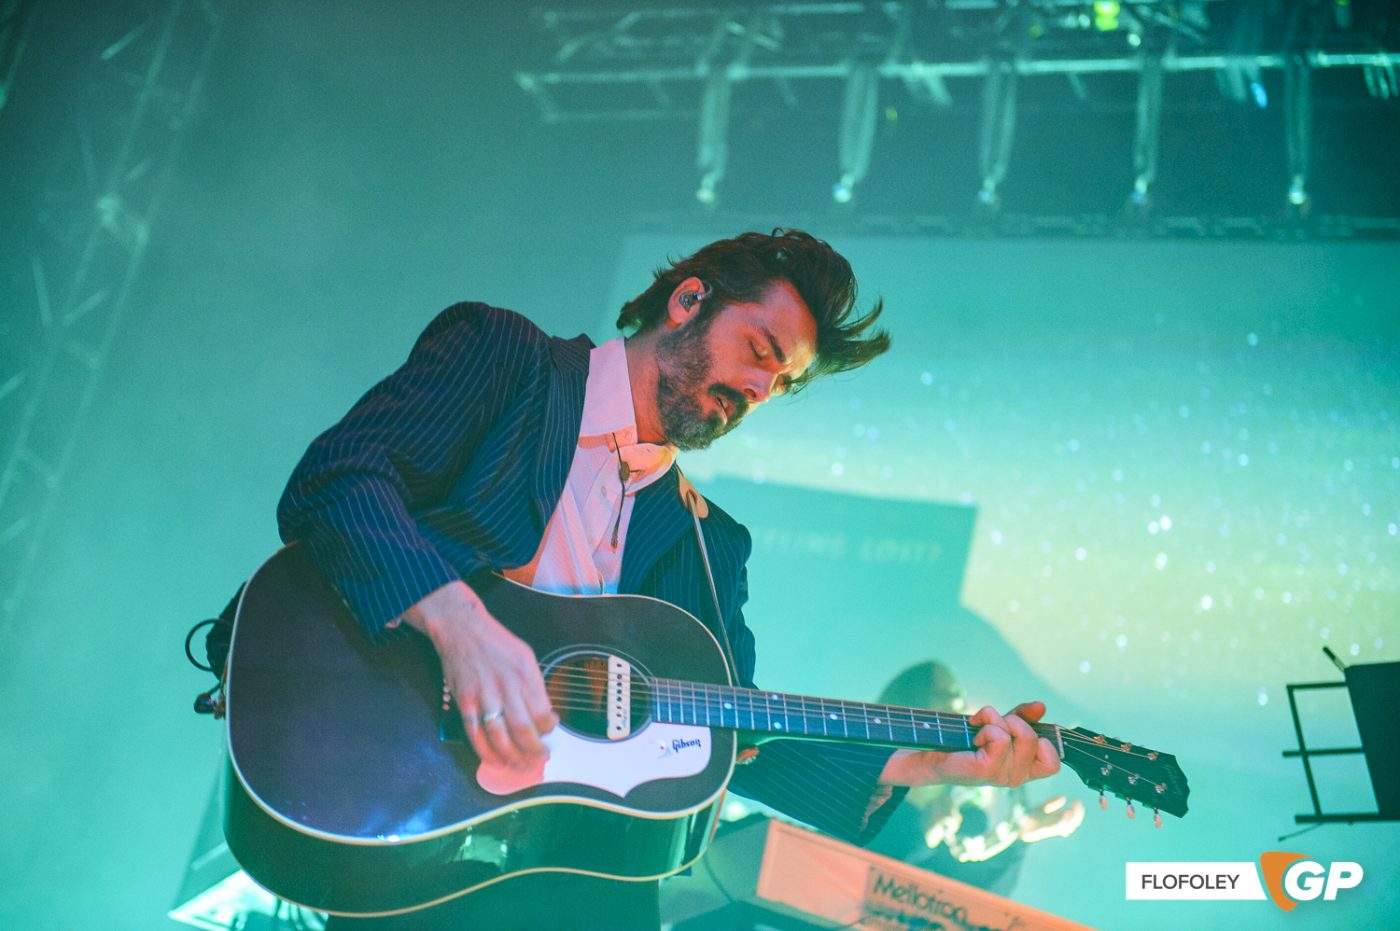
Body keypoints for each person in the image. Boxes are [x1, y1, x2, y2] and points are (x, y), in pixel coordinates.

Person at [275, 229, 1061, 928]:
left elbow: (728, 737)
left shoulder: (711, 546)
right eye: (760, 351)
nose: (759, 392)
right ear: (688, 301)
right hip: (406, 805)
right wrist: (459, 623)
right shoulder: (509, 360)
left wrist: (926, 763)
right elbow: (339, 478)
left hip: (582, 878)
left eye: (780, 385)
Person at [867, 662, 1085, 898]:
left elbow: (977, 905)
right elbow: (842, 874)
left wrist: (1020, 837)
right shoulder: (863, 789)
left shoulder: (965, 813)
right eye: (947, 695)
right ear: (910, 705)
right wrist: (921, 835)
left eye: (960, 696)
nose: (961, 706)